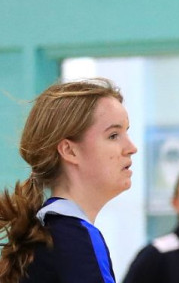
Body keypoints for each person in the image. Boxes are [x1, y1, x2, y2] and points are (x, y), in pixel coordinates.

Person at [0, 78, 137, 282]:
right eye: (113, 135)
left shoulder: (50, 232)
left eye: (127, 132)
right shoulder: (74, 236)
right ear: (69, 150)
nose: (131, 147)